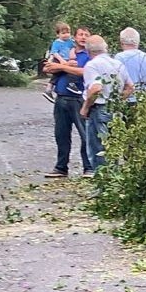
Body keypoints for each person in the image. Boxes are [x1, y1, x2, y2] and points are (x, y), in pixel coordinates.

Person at [42, 26, 91, 178]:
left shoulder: (89, 55)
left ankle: (88, 167)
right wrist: (64, 66)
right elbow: (48, 69)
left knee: (85, 134)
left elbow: (85, 72)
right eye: (80, 35)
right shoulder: (66, 51)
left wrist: (61, 67)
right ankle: (61, 167)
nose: (83, 37)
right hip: (61, 97)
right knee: (61, 134)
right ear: (74, 38)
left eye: (86, 35)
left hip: (79, 99)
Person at [79, 35, 132, 173]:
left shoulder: (92, 65)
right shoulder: (118, 64)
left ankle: (102, 179)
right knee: (112, 146)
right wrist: (119, 100)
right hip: (115, 108)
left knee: (99, 148)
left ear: (88, 51)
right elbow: (130, 87)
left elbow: (96, 88)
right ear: (105, 48)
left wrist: (85, 107)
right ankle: (113, 177)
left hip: (99, 108)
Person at [114, 27, 146, 102]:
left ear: (122, 42)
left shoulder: (119, 58)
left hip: (127, 101)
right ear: (138, 41)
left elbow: (116, 83)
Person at [41, 22, 75, 103]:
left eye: (68, 33)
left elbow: (74, 47)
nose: (66, 35)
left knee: (65, 73)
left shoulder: (70, 41)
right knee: (58, 74)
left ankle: (68, 85)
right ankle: (49, 89)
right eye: (63, 33)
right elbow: (54, 52)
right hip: (58, 59)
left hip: (67, 60)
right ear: (58, 34)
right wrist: (61, 60)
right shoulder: (57, 42)